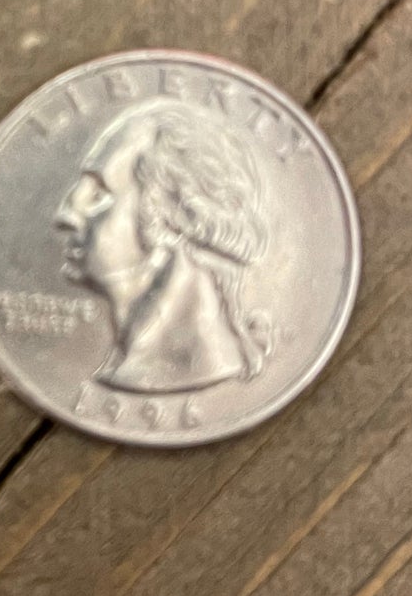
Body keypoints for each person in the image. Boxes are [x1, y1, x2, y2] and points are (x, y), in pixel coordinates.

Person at [56, 100, 270, 395]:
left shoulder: (196, 361)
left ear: (169, 216)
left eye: (98, 194)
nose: (65, 216)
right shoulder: (130, 356)